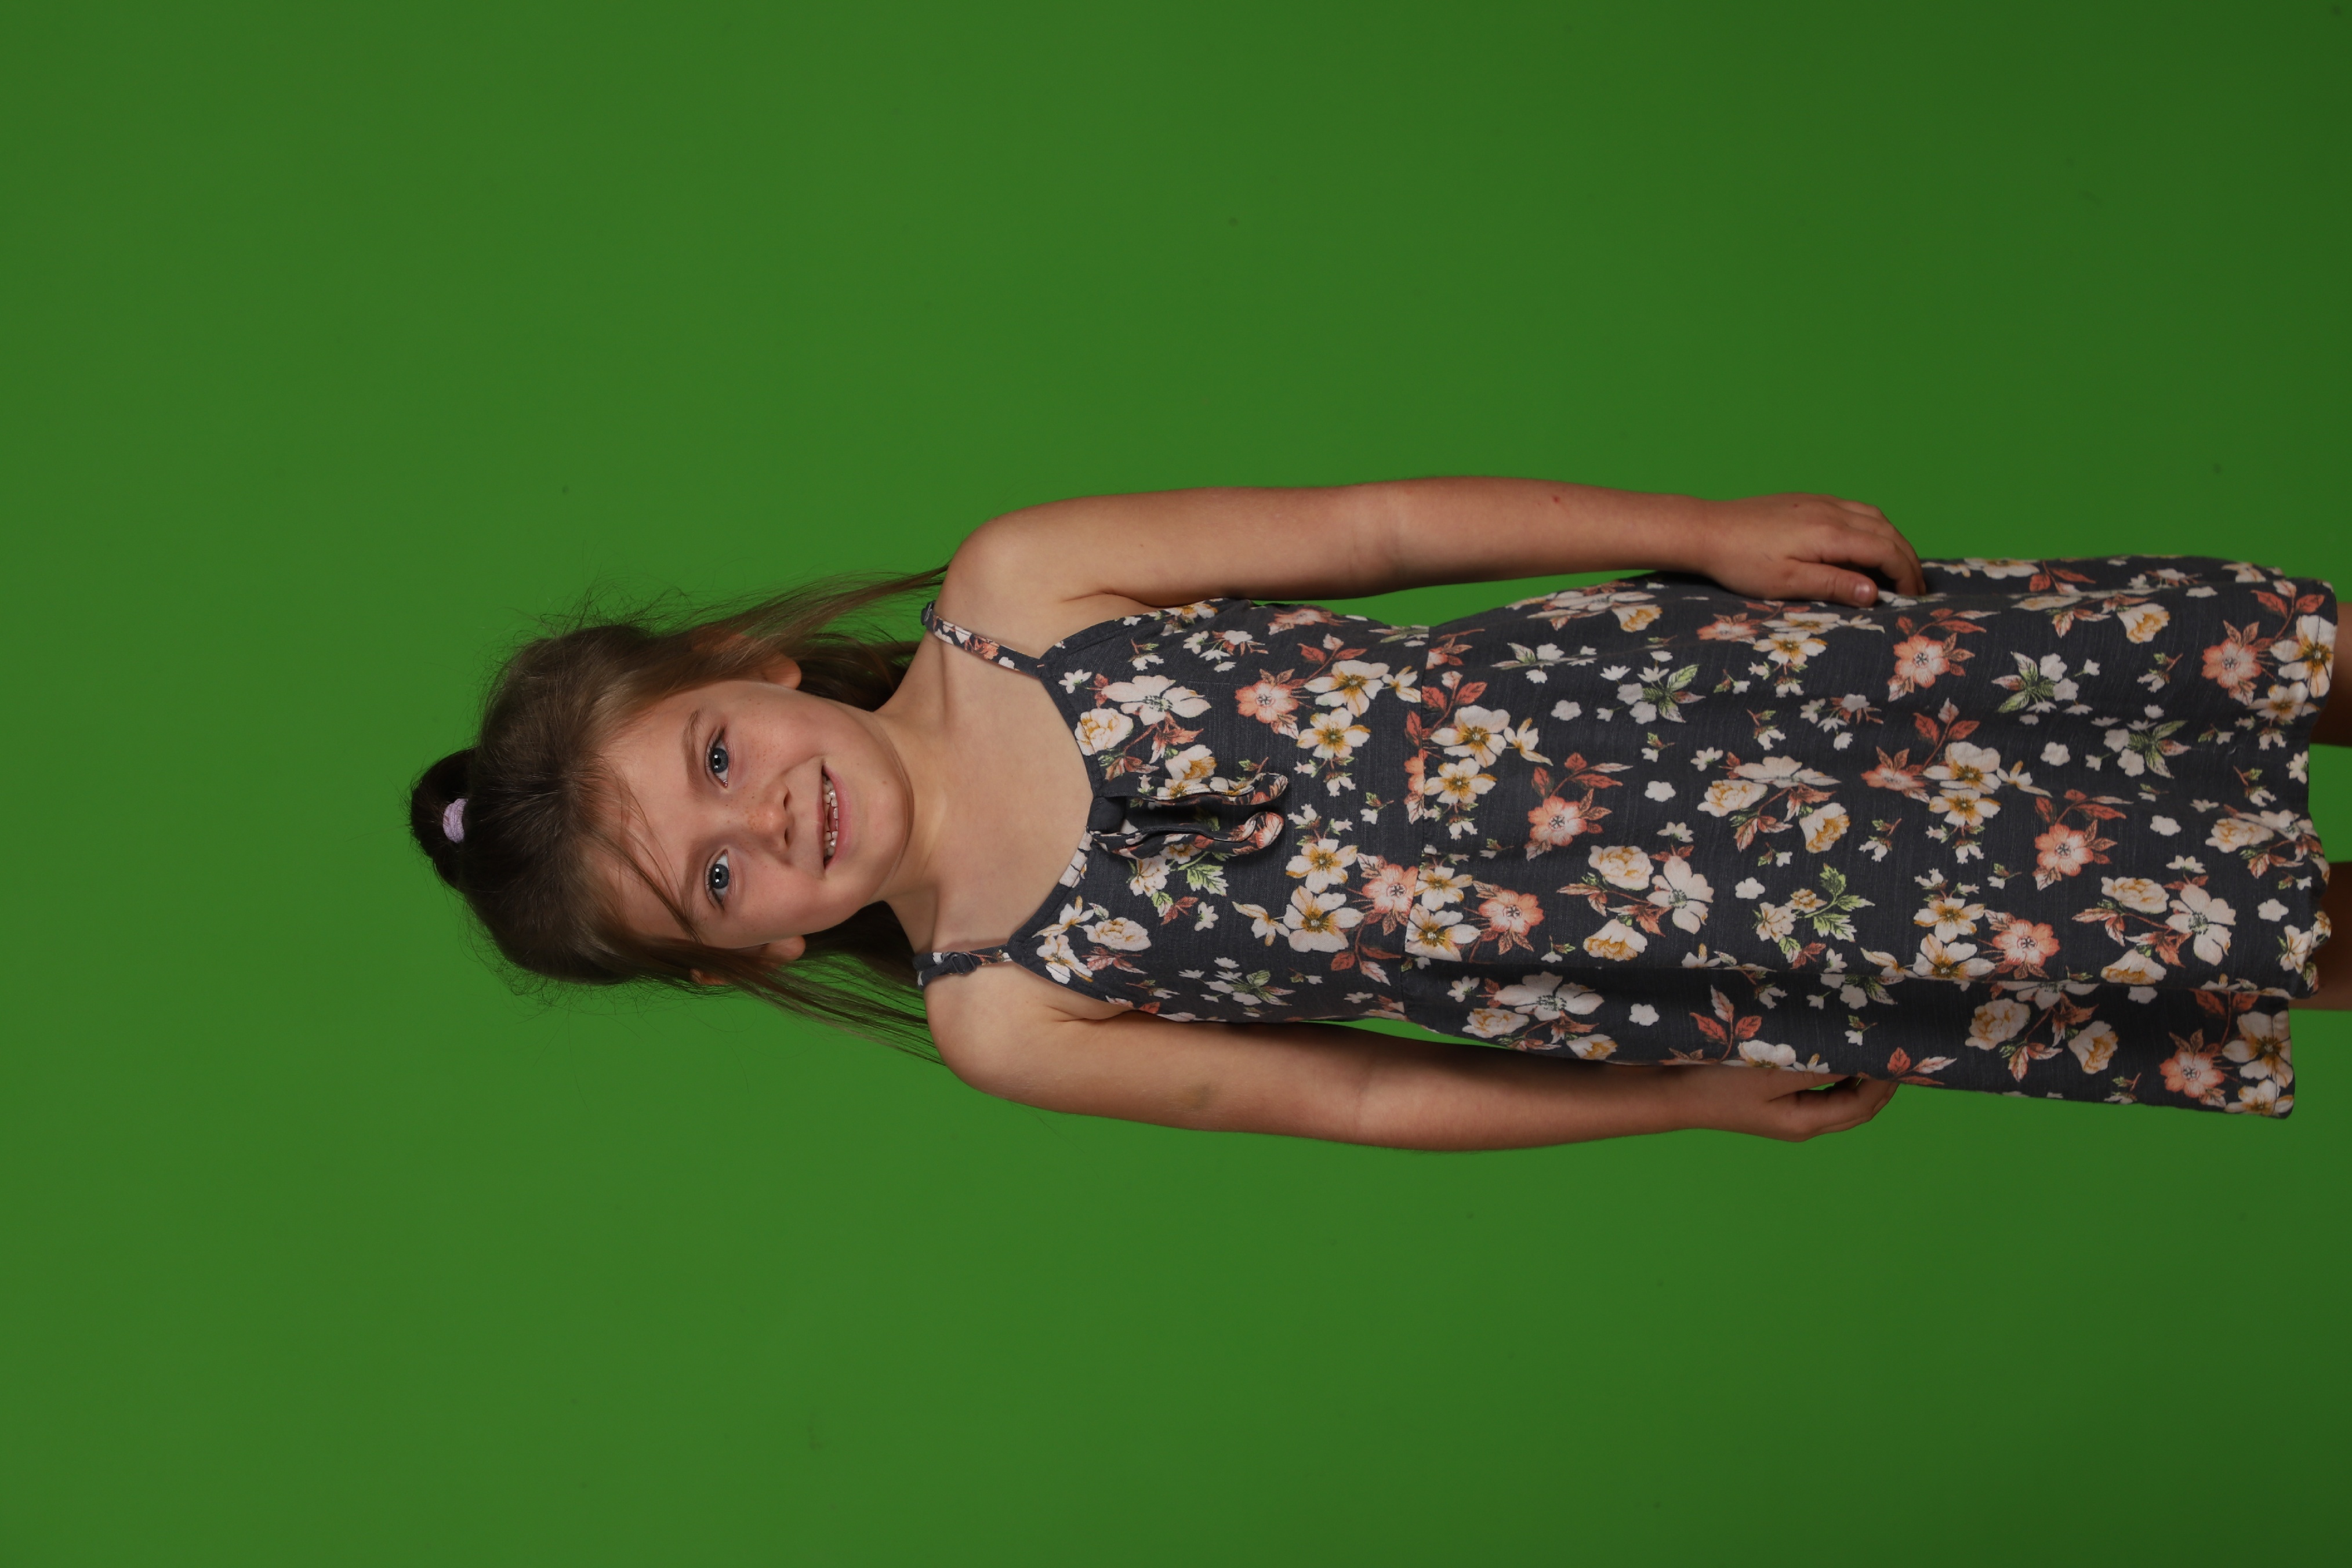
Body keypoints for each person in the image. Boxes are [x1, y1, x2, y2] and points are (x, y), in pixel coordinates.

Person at [408, 480, 2340, 1146]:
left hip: (1700, 691)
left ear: (739, 666)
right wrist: (1677, 1095)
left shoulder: (1019, 591)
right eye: (713, 877)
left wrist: (1702, 533)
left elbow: (1378, 529)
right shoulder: (1003, 1010)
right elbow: (1351, 1094)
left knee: (2203, 679)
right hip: (1700, 937)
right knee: (2230, 925)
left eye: (714, 761)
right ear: (736, 953)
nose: (765, 822)